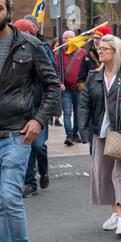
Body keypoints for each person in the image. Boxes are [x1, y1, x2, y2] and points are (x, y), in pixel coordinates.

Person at [0, 0, 59, 242]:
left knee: (10, 197)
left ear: (7, 11)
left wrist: (38, 120)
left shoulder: (29, 44)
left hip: (16, 134)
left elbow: (52, 87)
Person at [79, 35, 121, 238]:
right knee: (105, 175)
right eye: (99, 50)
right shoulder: (94, 76)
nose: (99, 52)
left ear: (116, 51)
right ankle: (114, 214)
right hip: (101, 133)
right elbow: (84, 104)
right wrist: (83, 130)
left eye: (104, 49)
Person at [13, 19, 57, 198]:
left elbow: (53, 82)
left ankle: (44, 171)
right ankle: (30, 183)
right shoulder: (12, 49)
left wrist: (55, 109)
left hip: (40, 108)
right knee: (27, 145)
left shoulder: (41, 49)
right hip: (23, 109)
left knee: (38, 146)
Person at [77, 26, 113, 155]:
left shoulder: (119, 59)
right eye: (94, 38)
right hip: (95, 108)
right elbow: (81, 79)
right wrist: (89, 90)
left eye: (99, 38)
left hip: (112, 113)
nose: (95, 41)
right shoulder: (88, 56)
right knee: (95, 151)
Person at [55, 30, 87, 146]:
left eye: (67, 38)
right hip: (66, 89)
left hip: (78, 89)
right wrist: (59, 82)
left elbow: (86, 71)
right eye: (63, 38)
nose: (64, 40)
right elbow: (55, 70)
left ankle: (75, 134)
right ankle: (69, 135)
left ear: (74, 39)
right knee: (67, 113)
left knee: (78, 113)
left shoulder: (83, 53)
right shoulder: (59, 54)